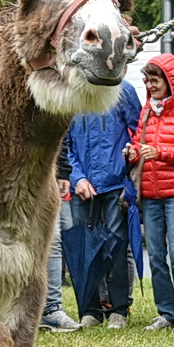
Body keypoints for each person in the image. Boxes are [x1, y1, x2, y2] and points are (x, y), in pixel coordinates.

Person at [64, 83, 141, 327]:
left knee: (116, 248)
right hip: (82, 187)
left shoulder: (123, 91)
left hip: (114, 183)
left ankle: (119, 309)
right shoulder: (69, 93)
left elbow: (139, 130)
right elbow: (63, 144)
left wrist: (128, 162)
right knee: (83, 250)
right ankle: (90, 310)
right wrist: (77, 178)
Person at [133, 54, 174, 330]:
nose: (151, 84)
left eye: (156, 79)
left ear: (171, 81)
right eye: (148, 79)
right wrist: (132, 151)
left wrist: (160, 153)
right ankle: (166, 311)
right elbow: (137, 141)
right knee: (156, 255)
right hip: (150, 192)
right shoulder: (146, 110)